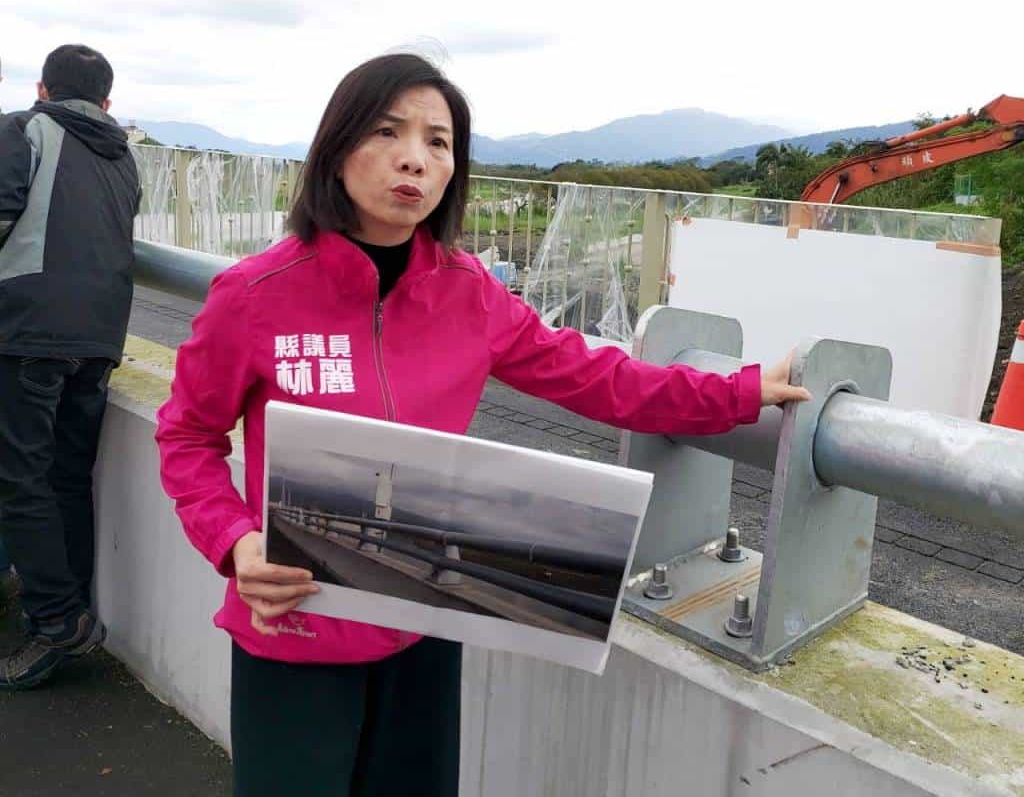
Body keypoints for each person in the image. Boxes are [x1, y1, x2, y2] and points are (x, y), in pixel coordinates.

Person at [156, 52, 809, 796]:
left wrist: (743, 391)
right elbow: (187, 436)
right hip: (294, 624)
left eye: (438, 141)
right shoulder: (253, 294)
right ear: (336, 149)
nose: (414, 158)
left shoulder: (472, 295)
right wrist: (235, 540)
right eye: (386, 131)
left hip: (426, 621)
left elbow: (602, 379)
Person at [0, 44, 141, 689]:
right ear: (107, 102)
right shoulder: (124, 156)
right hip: (100, 338)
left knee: (19, 479)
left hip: (29, 330)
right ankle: (65, 613)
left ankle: (58, 622)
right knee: (65, 479)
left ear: (42, 89)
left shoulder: (24, 129)